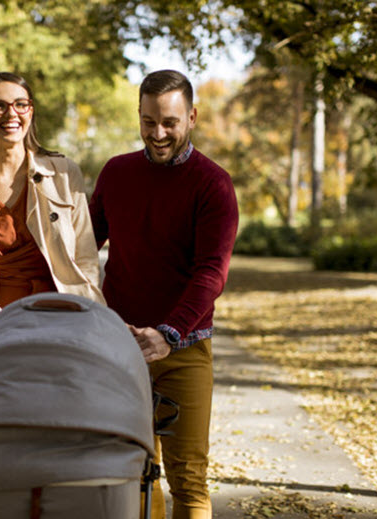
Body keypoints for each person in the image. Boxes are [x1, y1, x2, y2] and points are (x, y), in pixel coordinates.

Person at [0, 71, 105, 505]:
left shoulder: (63, 172)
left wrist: (82, 319)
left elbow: (85, 258)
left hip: (54, 326)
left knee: (53, 444)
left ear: (31, 112)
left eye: (21, 104)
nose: (11, 114)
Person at [89, 69, 239, 519]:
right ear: (139, 114)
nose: (158, 133)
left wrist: (168, 333)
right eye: (149, 121)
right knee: (130, 473)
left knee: (188, 478)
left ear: (191, 117)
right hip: (119, 348)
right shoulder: (117, 173)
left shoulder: (213, 184)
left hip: (184, 351)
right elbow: (80, 250)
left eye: (170, 122)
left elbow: (211, 272)